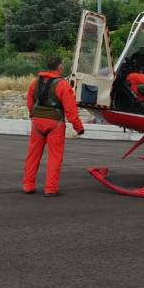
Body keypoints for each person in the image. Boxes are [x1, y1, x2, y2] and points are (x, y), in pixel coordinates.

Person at [23, 56, 85, 197]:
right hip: (55, 123)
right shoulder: (62, 85)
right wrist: (78, 127)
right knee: (55, 157)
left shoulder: (35, 82)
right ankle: (51, 189)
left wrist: (33, 115)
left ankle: (28, 185)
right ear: (59, 67)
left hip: (37, 123)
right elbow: (70, 109)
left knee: (33, 155)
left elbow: (30, 101)